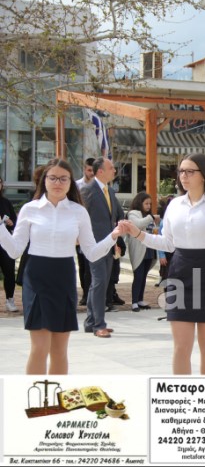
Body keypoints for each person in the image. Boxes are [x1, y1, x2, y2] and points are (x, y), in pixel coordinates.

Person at [121, 154, 205, 375]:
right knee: (181, 347)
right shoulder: (175, 205)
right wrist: (138, 233)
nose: (183, 176)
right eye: (181, 171)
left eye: (190, 171)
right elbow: (168, 243)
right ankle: (182, 392)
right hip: (180, 272)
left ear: (203, 175)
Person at [0, 158, 125, 374]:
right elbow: (14, 250)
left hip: (64, 277)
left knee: (59, 350)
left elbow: (91, 252)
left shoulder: (78, 211)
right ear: (44, 180)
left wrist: (112, 236)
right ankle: (34, 393)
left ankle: (57, 394)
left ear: (70, 182)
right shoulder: (30, 209)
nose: (58, 182)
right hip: (37, 278)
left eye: (63, 179)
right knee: (39, 348)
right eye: (53, 178)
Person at [81, 157, 125, 339]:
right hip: (94, 245)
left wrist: (117, 240)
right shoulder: (87, 190)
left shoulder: (110, 191)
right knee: (99, 282)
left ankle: (91, 321)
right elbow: (81, 217)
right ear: (100, 171)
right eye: (111, 168)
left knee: (101, 283)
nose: (114, 170)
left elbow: (115, 216)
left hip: (109, 244)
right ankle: (99, 325)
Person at [125, 192, 159, 312]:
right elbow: (138, 224)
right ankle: (134, 302)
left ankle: (140, 299)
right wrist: (151, 217)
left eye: (150, 204)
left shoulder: (148, 216)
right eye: (146, 203)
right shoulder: (133, 213)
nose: (149, 206)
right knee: (138, 276)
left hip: (149, 248)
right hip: (139, 248)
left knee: (144, 276)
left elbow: (152, 229)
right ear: (140, 203)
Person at [76, 158, 95, 306]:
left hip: (95, 229)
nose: (91, 173)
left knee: (93, 264)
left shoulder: (100, 186)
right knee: (83, 264)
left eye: (93, 170)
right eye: (89, 170)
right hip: (80, 229)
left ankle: (94, 293)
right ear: (84, 169)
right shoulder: (77, 186)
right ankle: (85, 293)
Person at [0, 177, 18, 312]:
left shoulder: (5, 202)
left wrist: (11, 223)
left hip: (5, 242)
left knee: (9, 272)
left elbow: (15, 222)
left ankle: (10, 299)